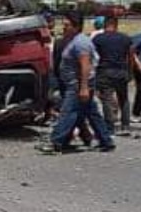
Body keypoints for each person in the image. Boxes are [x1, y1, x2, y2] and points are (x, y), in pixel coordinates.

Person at [41, 11, 115, 154]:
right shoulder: (74, 41)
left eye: (67, 25)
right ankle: (106, 141)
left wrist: (84, 87)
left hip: (77, 85)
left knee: (67, 113)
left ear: (76, 27)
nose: (64, 28)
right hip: (77, 84)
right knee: (92, 113)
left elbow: (85, 65)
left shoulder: (81, 43)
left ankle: (56, 142)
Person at [92, 16, 133, 136]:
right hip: (121, 71)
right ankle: (125, 125)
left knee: (107, 99)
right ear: (116, 24)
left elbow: (93, 56)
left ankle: (110, 127)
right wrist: (130, 72)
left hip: (105, 70)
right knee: (123, 98)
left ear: (105, 25)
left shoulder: (98, 38)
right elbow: (130, 56)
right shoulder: (125, 38)